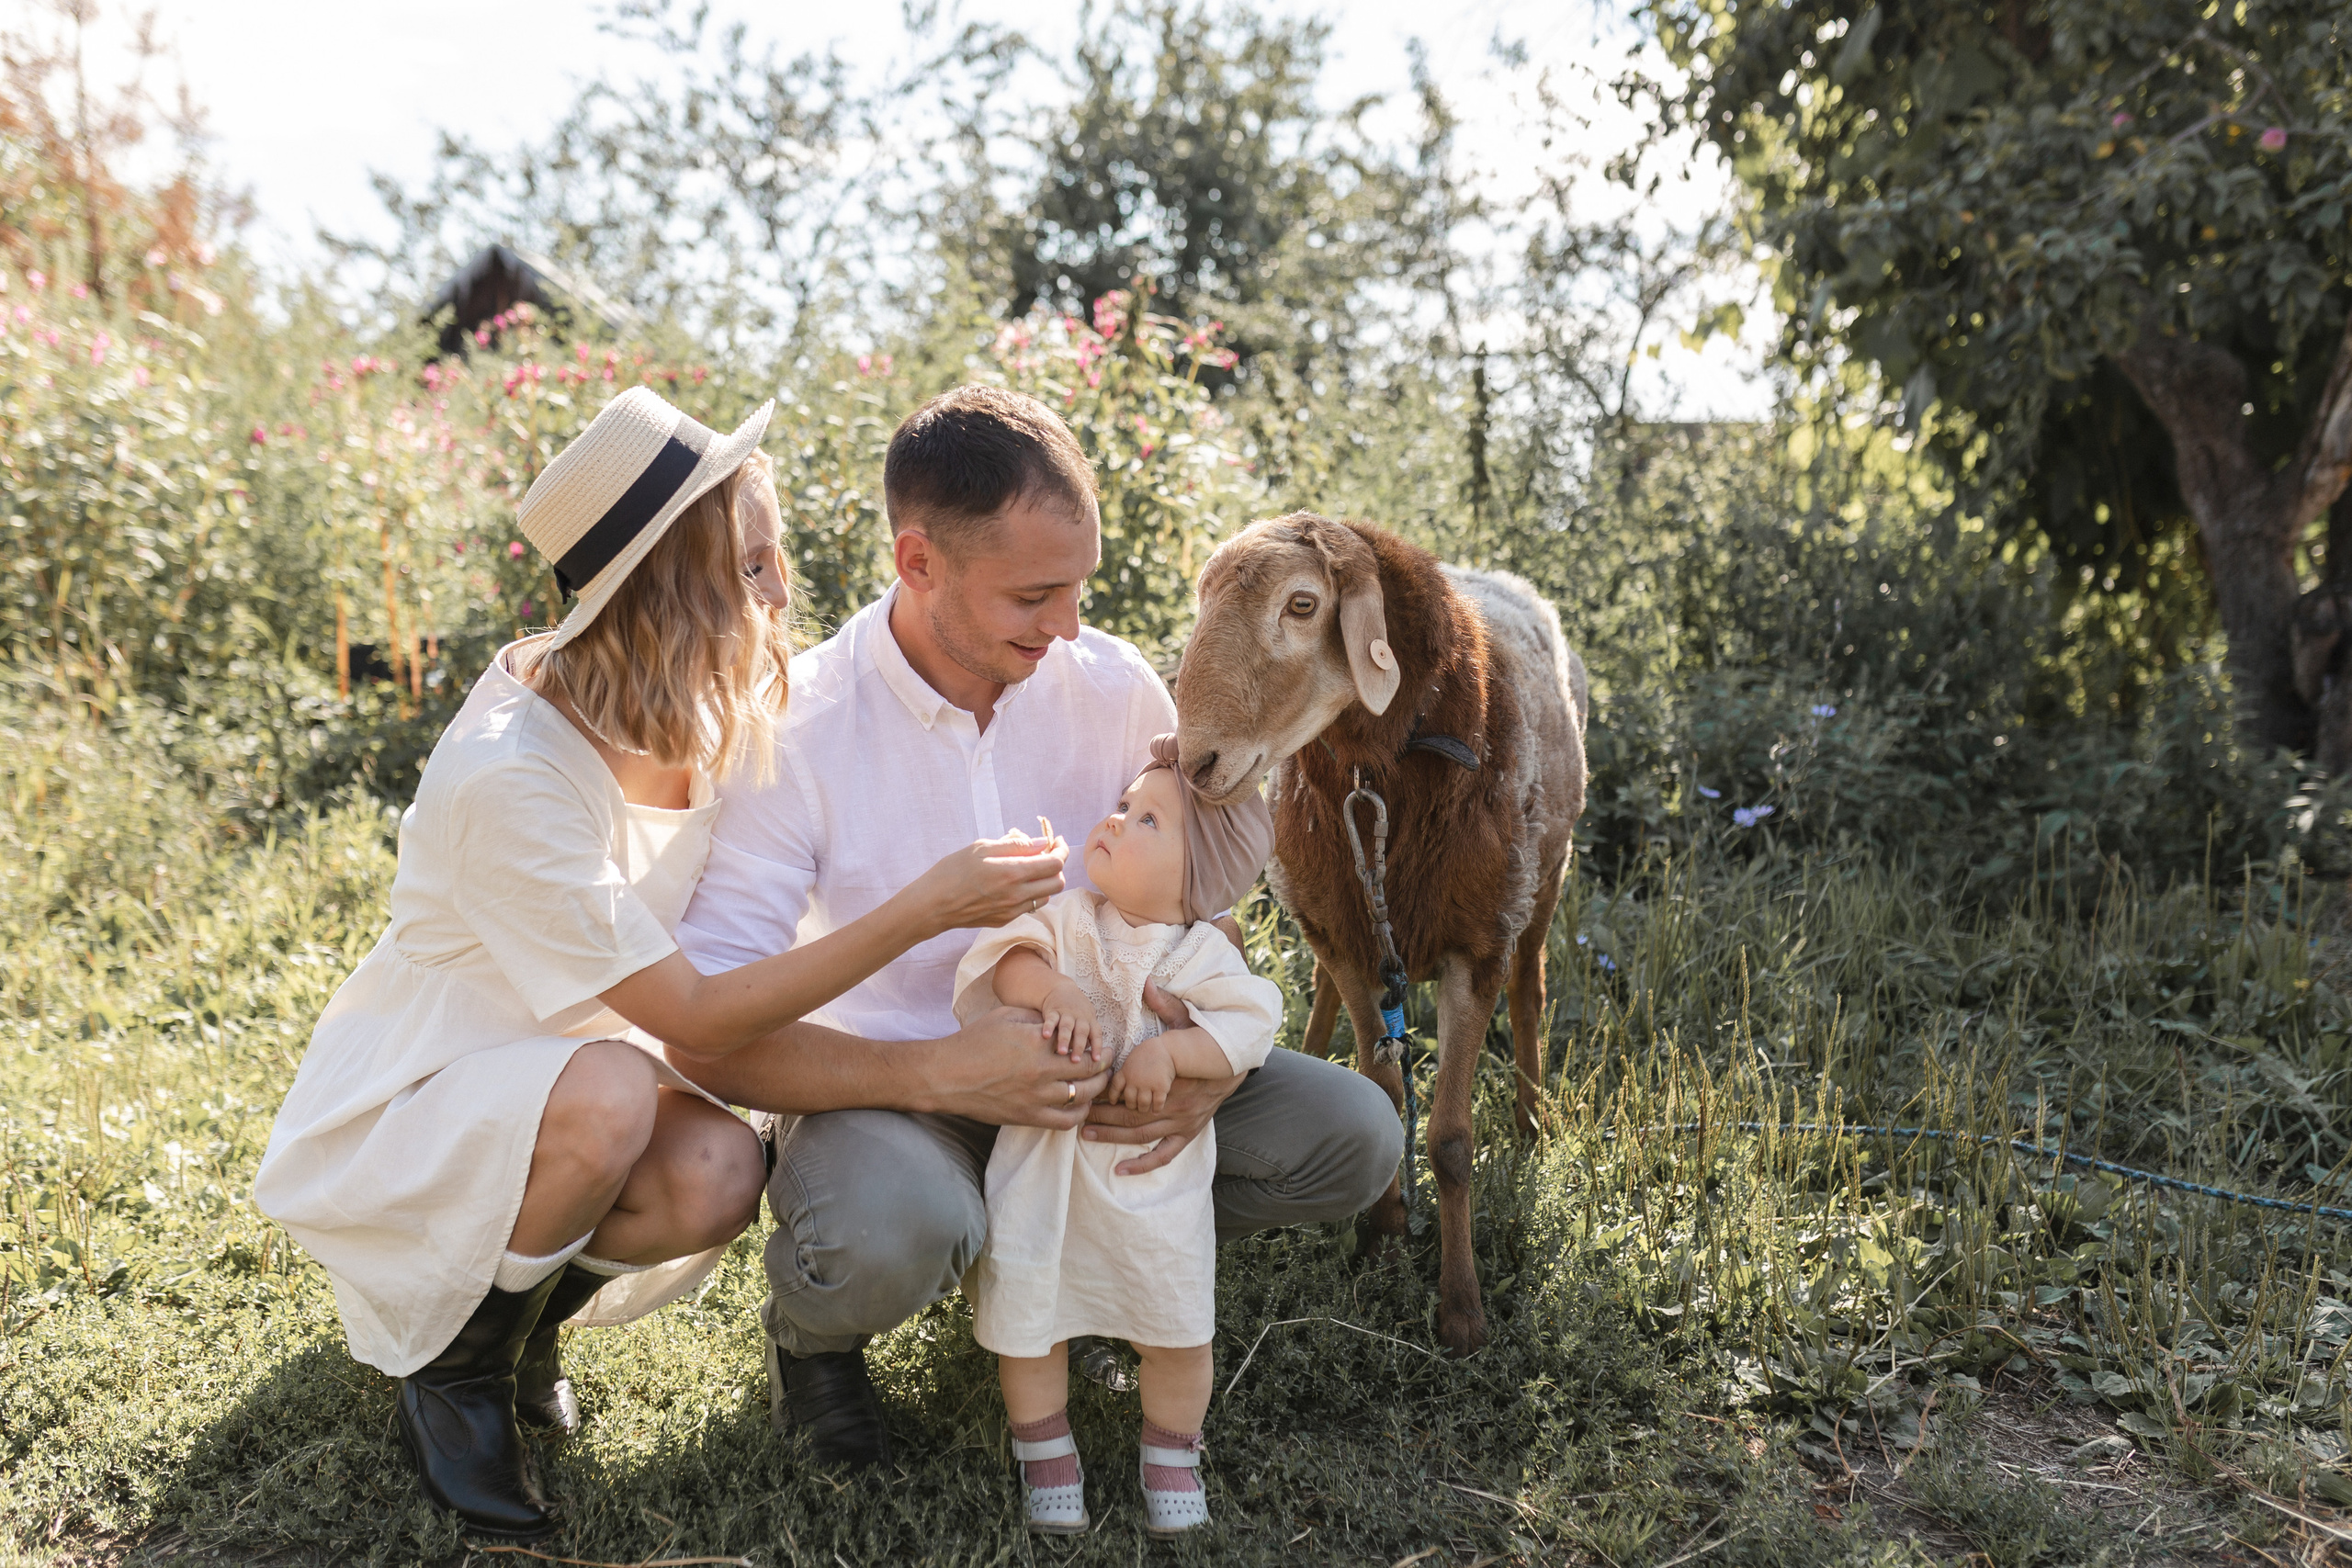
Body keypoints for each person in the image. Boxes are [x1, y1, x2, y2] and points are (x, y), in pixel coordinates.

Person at [254, 388, 1066, 1542]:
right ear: (665, 588)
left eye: (775, 558)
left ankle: (523, 1322)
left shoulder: (700, 704)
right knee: (612, 1087)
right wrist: (923, 909)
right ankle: (458, 1373)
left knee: (719, 1171)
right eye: (749, 568)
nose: (779, 595)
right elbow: (691, 1011)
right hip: (439, 1081)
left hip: (581, 1066)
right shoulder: (512, 777)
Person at [673, 384, 1405, 1473]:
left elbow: (1198, 905)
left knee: (1352, 1134)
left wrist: (1198, 1064)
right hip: (894, 1100)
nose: (1067, 626)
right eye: (1033, 595)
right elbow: (708, 1035)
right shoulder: (794, 727)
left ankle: (1082, 1272)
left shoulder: (1112, 686)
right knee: (886, 1229)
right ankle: (814, 1343)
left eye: (1079, 588)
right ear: (918, 563)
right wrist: (941, 1075)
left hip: (1105, 1082)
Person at [956, 739, 1283, 1538]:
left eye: (1147, 820)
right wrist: (1053, 988)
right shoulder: (1070, 918)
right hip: (1045, 1174)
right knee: (1031, 1327)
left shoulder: (1200, 951)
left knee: (1177, 1331)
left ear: (1198, 877)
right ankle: (1046, 1455)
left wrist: (1173, 1051)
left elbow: (1252, 1021)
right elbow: (1006, 960)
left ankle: (1171, 1453)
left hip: (1151, 1189)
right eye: (1123, 804)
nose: (1114, 819)